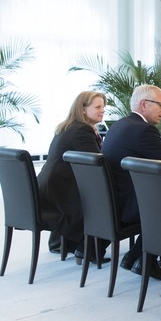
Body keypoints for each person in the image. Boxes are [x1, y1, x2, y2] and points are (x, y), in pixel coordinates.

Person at [102, 84, 161, 281]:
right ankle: (148, 259)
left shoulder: (119, 125)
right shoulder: (143, 130)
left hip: (111, 202)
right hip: (129, 205)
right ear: (144, 104)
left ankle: (134, 256)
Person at [38, 91, 110, 264]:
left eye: (103, 107)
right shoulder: (82, 130)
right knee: (108, 199)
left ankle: (71, 244)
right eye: (98, 107)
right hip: (59, 191)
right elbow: (97, 164)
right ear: (83, 109)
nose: (103, 111)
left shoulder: (69, 126)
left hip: (49, 186)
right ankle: (88, 248)